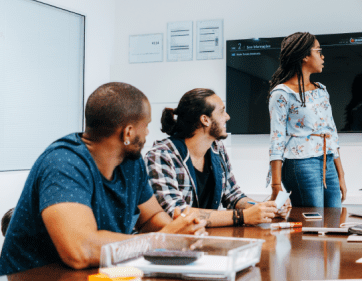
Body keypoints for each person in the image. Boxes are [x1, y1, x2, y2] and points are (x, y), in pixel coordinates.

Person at [0, 83, 205, 277]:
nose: (148, 132)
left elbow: (151, 217)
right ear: (129, 132)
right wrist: (163, 240)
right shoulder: (63, 163)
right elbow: (80, 251)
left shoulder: (131, 163)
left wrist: (179, 231)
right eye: (146, 125)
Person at [145, 88, 286, 227]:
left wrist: (265, 209)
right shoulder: (161, 156)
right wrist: (242, 216)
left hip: (206, 238)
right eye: (222, 111)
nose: (227, 116)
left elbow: (233, 196)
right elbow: (177, 214)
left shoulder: (217, 148)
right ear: (205, 119)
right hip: (176, 244)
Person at [268, 32, 347, 207]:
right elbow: (277, 138)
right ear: (304, 56)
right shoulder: (282, 93)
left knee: (334, 219)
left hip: (328, 161)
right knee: (311, 223)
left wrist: (341, 175)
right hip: (300, 163)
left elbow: (332, 133)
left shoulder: (321, 90)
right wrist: (275, 185)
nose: (322, 56)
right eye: (318, 51)